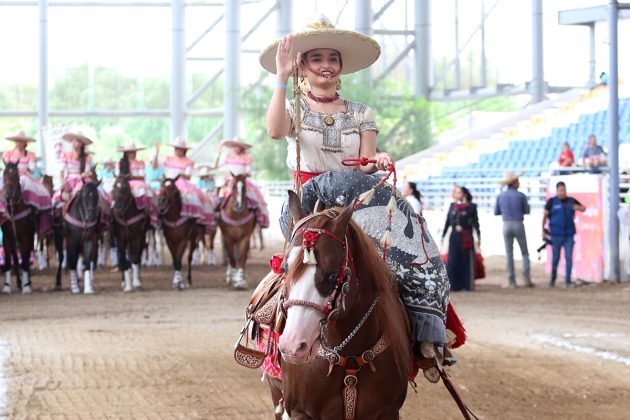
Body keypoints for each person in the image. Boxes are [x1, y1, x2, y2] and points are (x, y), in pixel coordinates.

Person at [263, 15, 452, 374]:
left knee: (410, 245)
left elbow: (365, 166)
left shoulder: (361, 112)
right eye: (316, 58)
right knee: (295, 271)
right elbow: (274, 131)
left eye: (332, 59)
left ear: (340, 67)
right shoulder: (293, 108)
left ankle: (425, 336)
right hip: (310, 202)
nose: (326, 65)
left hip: (355, 198)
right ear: (303, 65)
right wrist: (281, 77)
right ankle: (272, 341)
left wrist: (378, 160)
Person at [155, 136, 215, 230]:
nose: (178, 151)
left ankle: (192, 219)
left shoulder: (188, 162)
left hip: (182, 183)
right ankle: (158, 217)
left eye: (181, 149)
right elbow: (155, 165)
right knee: (160, 197)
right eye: (177, 148)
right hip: (168, 183)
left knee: (191, 197)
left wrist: (179, 175)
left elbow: (188, 176)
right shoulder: (168, 159)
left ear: (184, 150)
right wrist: (156, 152)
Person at [1, 131, 53, 236]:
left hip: (24, 175)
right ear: (15, 142)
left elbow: (32, 168)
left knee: (26, 182)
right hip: (11, 176)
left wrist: (25, 170)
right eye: (18, 141)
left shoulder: (30, 154)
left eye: (22, 141)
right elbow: (7, 166)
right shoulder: (8, 153)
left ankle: (31, 206)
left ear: (25, 143)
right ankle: (2, 209)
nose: (20, 143)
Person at [219, 137, 270, 228]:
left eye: (238, 146)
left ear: (241, 147)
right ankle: (217, 212)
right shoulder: (228, 157)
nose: (236, 148)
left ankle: (257, 214)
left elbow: (249, 172)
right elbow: (223, 169)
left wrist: (241, 176)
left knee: (254, 195)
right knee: (219, 193)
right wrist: (227, 176)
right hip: (230, 181)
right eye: (235, 146)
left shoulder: (247, 158)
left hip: (243, 180)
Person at [542, 181, 585, 288]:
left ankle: (567, 281)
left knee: (568, 258)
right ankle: (552, 280)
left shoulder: (571, 201)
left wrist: (577, 207)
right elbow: (545, 216)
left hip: (569, 235)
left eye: (564, 190)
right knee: (555, 258)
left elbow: (583, 208)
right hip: (556, 235)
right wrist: (543, 231)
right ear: (557, 191)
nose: (563, 192)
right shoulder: (551, 202)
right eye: (561, 190)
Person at [494, 171, 533, 288]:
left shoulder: (501, 196)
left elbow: (496, 212)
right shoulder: (521, 196)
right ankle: (526, 279)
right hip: (518, 223)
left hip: (506, 224)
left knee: (509, 253)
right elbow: (527, 210)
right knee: (524, 252)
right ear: (514, 183)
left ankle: (512, 281)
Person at [441, 186, 480, 292]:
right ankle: (453, 285)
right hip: (454, 237)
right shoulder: (452, 206)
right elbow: (447, 222)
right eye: (456, 192)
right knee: (453, 260)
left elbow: (476, 223)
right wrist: (443, 236)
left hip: (466, 237)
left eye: (459, 192)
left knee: (466, 261)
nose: (457, 194)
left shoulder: (472, 207)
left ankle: (466, 286)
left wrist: (479, 237)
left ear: (465, 194)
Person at [116, 142, 158, 229]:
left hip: (137, 182)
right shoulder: (120, 163)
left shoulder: (140, 163)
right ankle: (113, 212)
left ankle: (145, 210)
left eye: (134, 152)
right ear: (126, 153)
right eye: (130, 152)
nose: (133, 154)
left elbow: (142, 176)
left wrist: (131, 176)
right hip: (124, 182)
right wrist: (125, 178)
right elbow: (118, 175)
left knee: (143, 190)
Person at [54, 132, 95, 204]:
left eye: (77, 141)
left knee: (83, 192)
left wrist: (85, 174)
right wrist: (62, 182)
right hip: (69, 179)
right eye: (74, 140)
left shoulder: (87, 157)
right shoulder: (66, 155)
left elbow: (88, 171)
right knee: (59, 195)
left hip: (82, 180)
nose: (74, 143)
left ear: (82, 144)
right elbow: (61, 171)